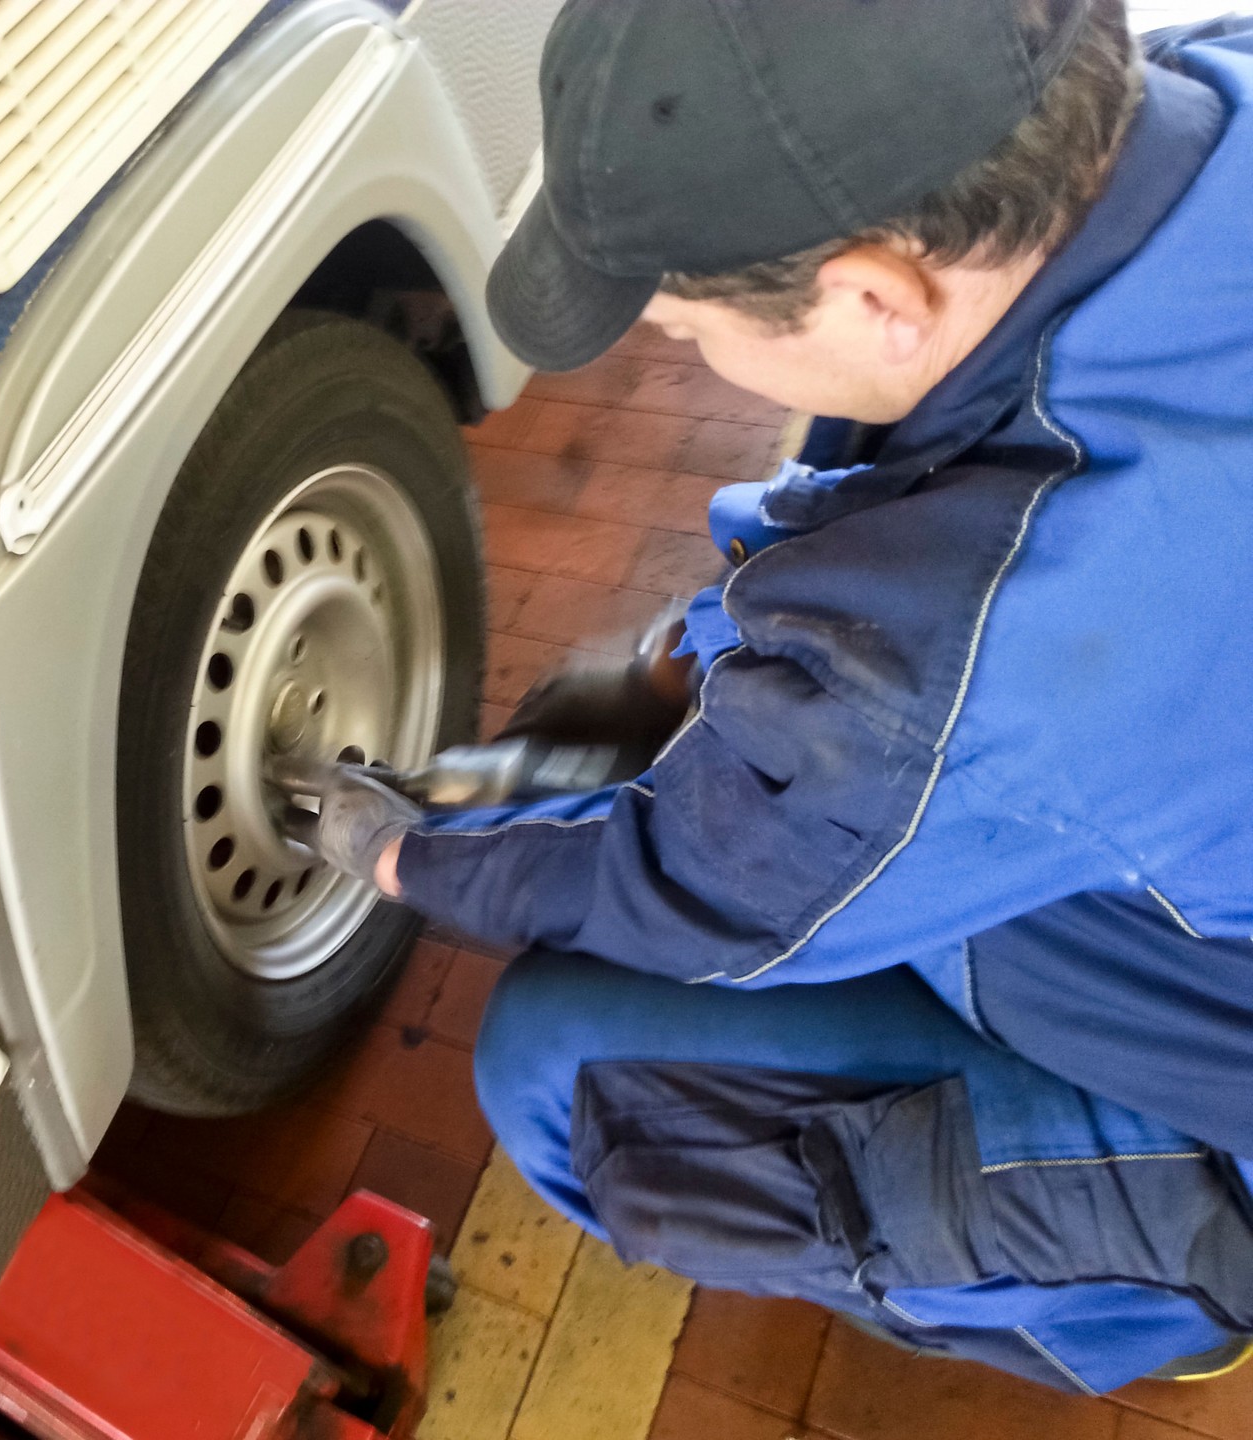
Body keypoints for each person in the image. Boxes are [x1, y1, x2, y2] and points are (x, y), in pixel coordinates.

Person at [310, 0, 1253, 1393]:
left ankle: (1158, 1293)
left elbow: (687, 891)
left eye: (684, 331)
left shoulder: (993, 639)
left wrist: (404, 855)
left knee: (555, 1071)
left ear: (880, 298)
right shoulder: (1202, 77)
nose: (686, 353)